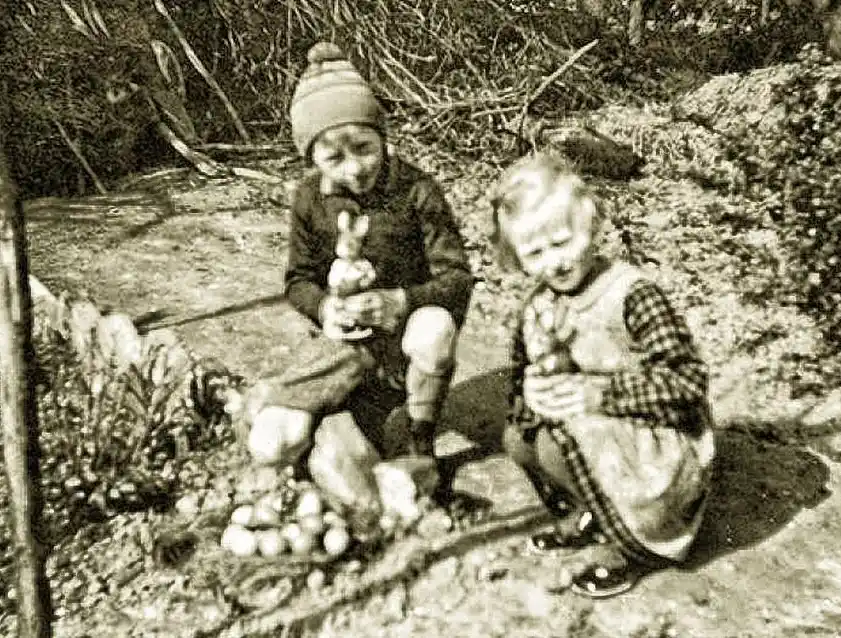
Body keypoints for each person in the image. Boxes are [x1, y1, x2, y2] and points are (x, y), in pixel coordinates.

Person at [490, 153, 715, 598]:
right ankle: (587, 511)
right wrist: (531, 391)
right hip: (591, 425)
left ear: (590, 228)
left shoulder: (630, 295)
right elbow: (522, 369)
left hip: (651, 435)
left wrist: (598, 393)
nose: (554, 263)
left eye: (562, 242)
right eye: (535, 253)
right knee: (520, 438)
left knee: (559, 444)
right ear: (516, 257)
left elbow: (687, 383)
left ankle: (628, 545)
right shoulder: (539, 306)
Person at [253, 41, 474, 469]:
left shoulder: (416, 190)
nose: (354, 168)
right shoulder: (309, 199)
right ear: (312, 157)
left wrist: (402, 301)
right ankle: (362, 414)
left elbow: (457, 278)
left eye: (364, 148)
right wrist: (324, 308)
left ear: (382, 136)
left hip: (408, 326)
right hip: (350, 341)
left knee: (434, 331)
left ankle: (419, 433)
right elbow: (298, 280)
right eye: (334, 157)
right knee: (295, 443)